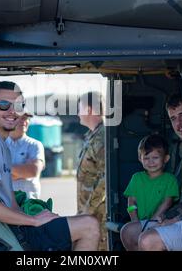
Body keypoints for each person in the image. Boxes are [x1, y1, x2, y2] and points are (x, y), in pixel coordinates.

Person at [0, 81, 100, 251]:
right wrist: (34, 221)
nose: (12, 111)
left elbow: (13, 202)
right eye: (3, 105)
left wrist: (34, 217)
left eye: (18, 105)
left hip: (12, 228)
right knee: (89, 225)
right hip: (2, 234)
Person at [120, 92, 182, 251]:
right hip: (179, 216)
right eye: (173, 119)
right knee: (128, 232)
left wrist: (168, 219)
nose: (179, 124)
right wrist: (164, 217)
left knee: (147, 240)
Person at [121, 134, 179, 251]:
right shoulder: (136, 178)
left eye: (155, 158)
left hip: (159, 221)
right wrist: (135, 221)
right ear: (140, 159)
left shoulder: (170, 179)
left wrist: (153, 221)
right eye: (146, 158)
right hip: (140, 221)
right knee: (126, 231)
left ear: (166, 159)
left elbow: (167, 202)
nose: (151, 162)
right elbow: (131, 202)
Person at [77, 91, 106, 251]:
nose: (77, 113)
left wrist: (88, 210)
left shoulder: (102, 137)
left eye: (79, 108)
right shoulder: (92, 136)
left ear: (89, 109)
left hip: (97, 215)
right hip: (88, 213)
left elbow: (105, 179)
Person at [5, 114, 45, 199]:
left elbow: (33, 171)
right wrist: (22, 171)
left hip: (29, 204)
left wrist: (5, 168)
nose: (23, 121)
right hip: (5, 204)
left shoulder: (35, 145)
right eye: (18, 118)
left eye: (25, 118)